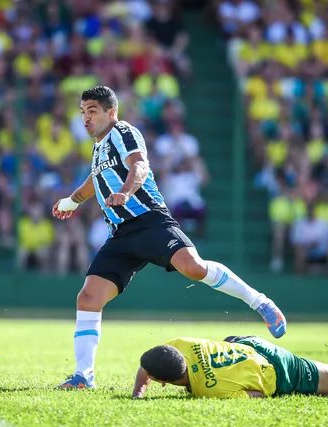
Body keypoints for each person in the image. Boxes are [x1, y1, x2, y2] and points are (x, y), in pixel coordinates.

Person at [53, 86, 286, 389]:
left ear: (112, 112)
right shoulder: (99, 147)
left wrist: (125, 191)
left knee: (193, 267)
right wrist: (71, 201)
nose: (85, 118)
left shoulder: (123, 131)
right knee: (88, 297)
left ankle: (260, 302)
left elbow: (140, 165)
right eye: (82, 112)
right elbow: (93, 182)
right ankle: (84, 376)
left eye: (92, 111)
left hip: (150, 221)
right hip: (121, 235)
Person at [132, 320, 328, 399]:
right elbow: (149, 363)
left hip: (274, 368)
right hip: (247, 343)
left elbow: (256, 394)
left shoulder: (208, 390)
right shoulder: (179, 345)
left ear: (163, 381)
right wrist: (138, 391)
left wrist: (139, 392)